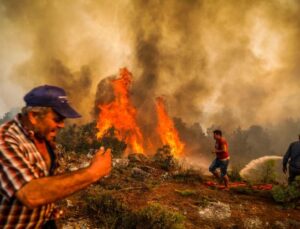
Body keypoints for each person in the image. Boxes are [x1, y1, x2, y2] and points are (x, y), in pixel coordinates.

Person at [0, 85, 112, 228]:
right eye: (57, 119)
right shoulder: (5, 140)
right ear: (34, 116)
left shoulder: (45, 139)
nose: (62, 125)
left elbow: (48, 181)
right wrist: (93, 172)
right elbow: (30, 195)